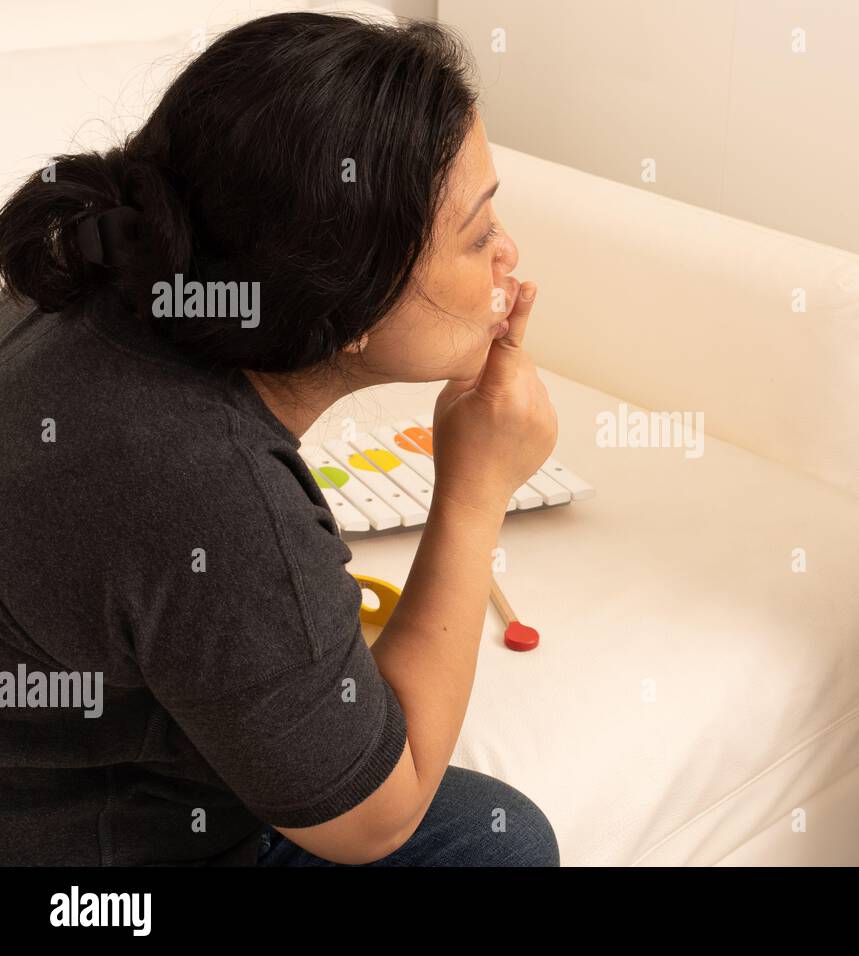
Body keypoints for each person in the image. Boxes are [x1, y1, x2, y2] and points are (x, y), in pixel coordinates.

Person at [0, 12, 559, 866]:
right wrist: (476, 486)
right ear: (350, 303)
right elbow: (374, 823)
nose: (507, 252)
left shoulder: (71, 294)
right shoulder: (206, 491)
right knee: (498, 846)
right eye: (478, 232)